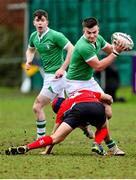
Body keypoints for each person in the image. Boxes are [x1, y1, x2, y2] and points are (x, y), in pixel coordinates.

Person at [64, 17, 126, 155]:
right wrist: (116, 52)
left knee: (108, 112)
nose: (92, 36)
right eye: (88, 33)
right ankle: (112, 146)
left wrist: (120, 46)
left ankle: (83, 123)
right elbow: (98, 66)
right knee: (100, 112)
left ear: (98, 30)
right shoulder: (83, 46)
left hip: (88, 81)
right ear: (83, 31)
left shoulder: (99, 38)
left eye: (94, 32)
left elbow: (110, 49)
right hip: (75, 85)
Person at [5, 89, 121, 156]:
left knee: (55, 137)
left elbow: (53, 135)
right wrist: (108, 105)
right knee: (103, 127)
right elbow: (108, 98)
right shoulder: (81, 92)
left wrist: (47, 151)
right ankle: (97, 143)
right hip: (96, 106)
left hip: (77, 111)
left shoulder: (62, 111)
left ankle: (27, 147)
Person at [25, 9, 74, 139]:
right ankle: (85, 127)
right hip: (48, 76)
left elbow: (72, 49)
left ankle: (40, 139)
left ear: (47, 22)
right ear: (34, 22)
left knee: (37, 106)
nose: (40, 23)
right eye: (37, 20)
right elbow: (30, 49)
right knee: (61, 110)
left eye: (42, 20)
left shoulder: (55, 35)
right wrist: (29, 60)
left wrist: (63, 68)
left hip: (57, 77)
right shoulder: (34, 36)